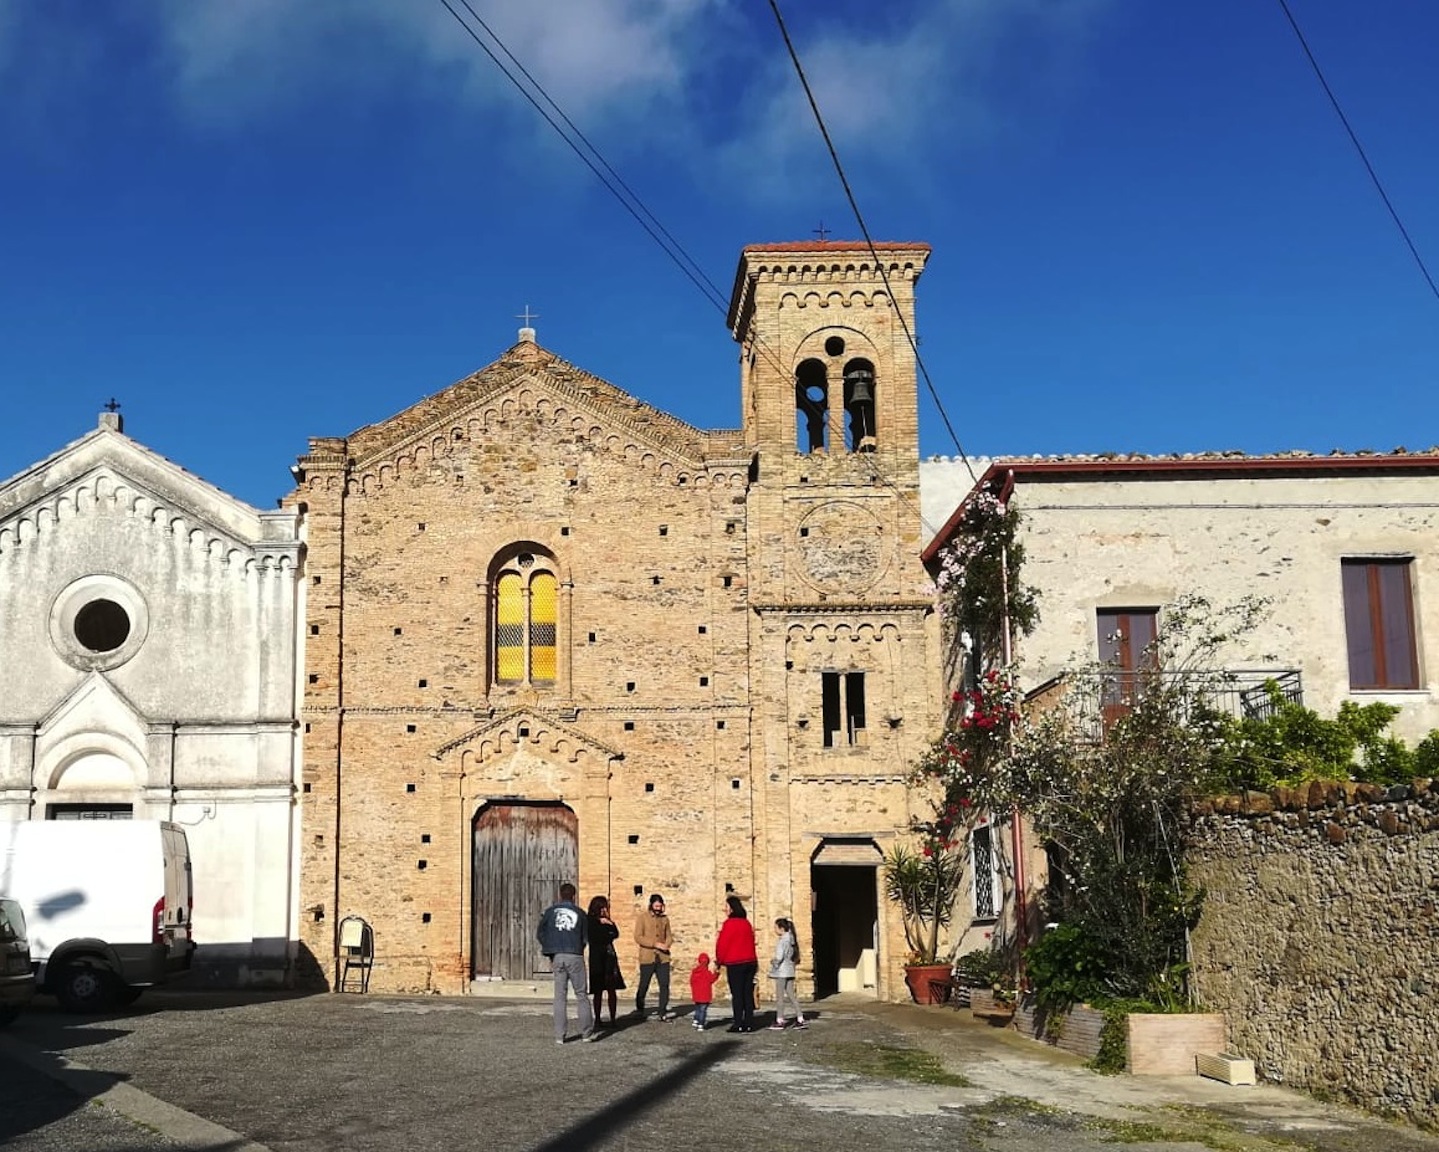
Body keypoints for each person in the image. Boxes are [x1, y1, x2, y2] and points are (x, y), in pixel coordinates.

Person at [536, 882, 595, 1044]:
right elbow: (585, 938)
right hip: (574, 955)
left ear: (560, 895)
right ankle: (586, 1033)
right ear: (574, 896)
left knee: (560, 996)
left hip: (558, 956)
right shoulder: (580, 913)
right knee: (581, 995)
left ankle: (559, 1036)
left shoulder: (550, 912)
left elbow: (540, 933)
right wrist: (578, 947)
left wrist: (550, 949)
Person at [714, 895, 758, 1032]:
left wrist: (719, 961)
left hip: (736, 963)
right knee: (747, 993)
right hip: (750, 962)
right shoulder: (746, 923)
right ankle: (749, 1023)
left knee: (737, 994)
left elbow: (722, 944)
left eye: (726, 907)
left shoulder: (729, 924)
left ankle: (738, 1023)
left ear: (732, 909)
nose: (724, 909)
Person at [633, 893, 675, 1020]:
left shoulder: (665, 919)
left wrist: (666, 944)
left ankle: (662, 1011)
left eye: (660, 906)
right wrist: (654, 944)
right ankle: (640, 1008)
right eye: (656, 906)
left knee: (664, 984)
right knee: (644, 984)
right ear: (651, 905)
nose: (658, 908)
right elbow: (638, 937)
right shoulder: (643, 918)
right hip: (647, 957)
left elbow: (669, 935)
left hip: (663, 958)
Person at [586, 894, 625, 1026]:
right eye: (602, 907)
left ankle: (613, 1018)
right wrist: (602, 925)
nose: (604, 910)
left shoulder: (607, 921)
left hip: (609, 957)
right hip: (597, 957)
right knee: (598, 990)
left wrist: (609, 923)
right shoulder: (590, 920)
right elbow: (596, 937)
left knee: (611, 988)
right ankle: (597, 1018)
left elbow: (615, 934)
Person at [768, 917, 807, 1030]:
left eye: (775, 927)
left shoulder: (782, 941)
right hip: (790, 970)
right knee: (791, 995)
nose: (774, 930)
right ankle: (800, 1018)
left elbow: (779, 957)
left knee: (780, 997)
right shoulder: (791, 939)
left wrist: (773, 963)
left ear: (781, 928)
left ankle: (779, 1020)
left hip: (781, 971)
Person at [689, 951, 720, 1030]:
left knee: (697, 1008)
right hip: (705, 995)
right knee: (703, 1010)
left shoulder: (695, 972)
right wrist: (716, 973)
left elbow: (691, 982)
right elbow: (712, 979)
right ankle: (701, 1024)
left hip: (697, 995)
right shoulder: (707, 973)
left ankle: (696, 1020)